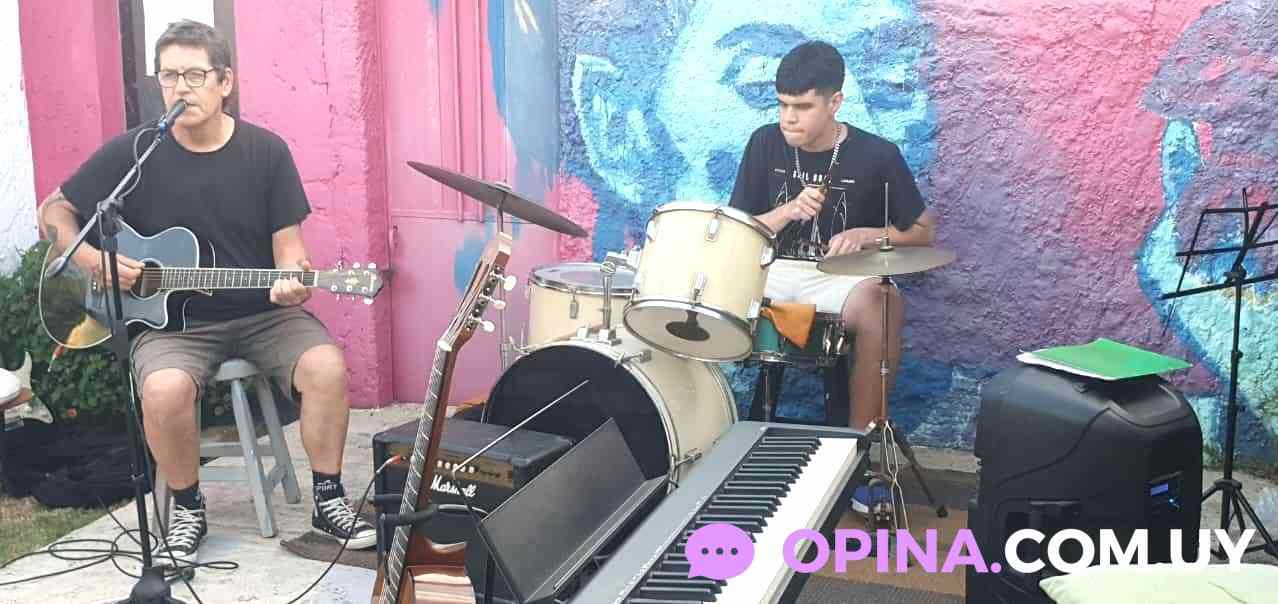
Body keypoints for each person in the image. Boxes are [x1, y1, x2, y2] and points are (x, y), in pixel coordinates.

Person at [35, 20, 375, 564]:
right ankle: (188, 508)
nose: (180, 88)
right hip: (173, 326)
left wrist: (293, 279)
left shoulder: (266, 152)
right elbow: (54, 209)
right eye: (169, 76)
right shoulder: (135, 153)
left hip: (263, 313)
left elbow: (290, 248)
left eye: (195, 75)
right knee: (164, 389)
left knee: (326, 368)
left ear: (225, 82)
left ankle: (329, 499)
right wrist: (93, 260)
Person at [728, 40, 937, 511]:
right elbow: (740, 229)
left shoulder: (877, 154)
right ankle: (700, 441)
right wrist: (787, 211)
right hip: (770, 272)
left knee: (885, 301)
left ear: (835, 102)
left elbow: (923, 232)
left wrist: (867, 235)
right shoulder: (764, 143)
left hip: (840, 277)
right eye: (783, 105)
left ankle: (859, 455)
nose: (789, 118)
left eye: (803, 107)